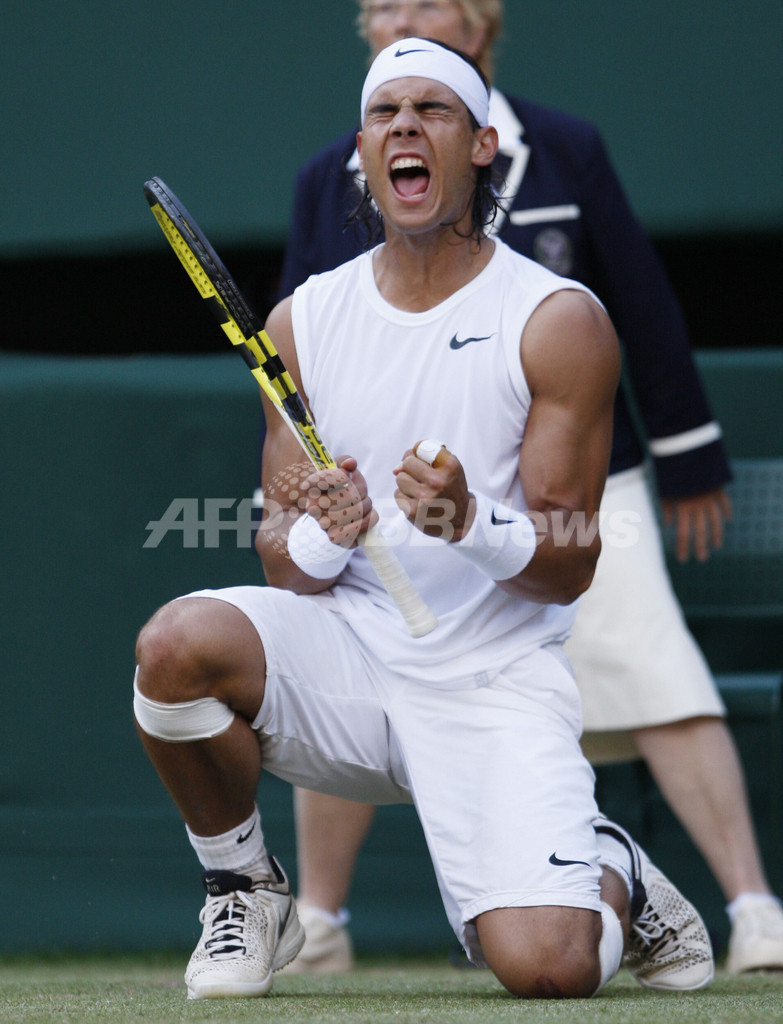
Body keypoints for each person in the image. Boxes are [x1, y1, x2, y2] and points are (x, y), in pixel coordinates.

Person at [134, 39, 715, 1000]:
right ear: (361, 152)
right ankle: (242, 887)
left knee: (549, 970)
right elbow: (282, 563)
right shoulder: (302, 322)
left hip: (494, 679)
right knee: (176, 646)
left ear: (482, 145)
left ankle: (611, 866)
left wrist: (468, 521)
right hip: (347, 668)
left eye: (432, 110)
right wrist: (324, 530)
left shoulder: (556, 319)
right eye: (384, 113)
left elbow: (569, 562)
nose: (404, 126)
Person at [274, 0, 783, 978]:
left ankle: (752, 907)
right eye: (386, 6)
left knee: (658, 679)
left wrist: (688, 455)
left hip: (576, 481)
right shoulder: (327, 177)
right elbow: (297, 354)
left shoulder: (565, 146)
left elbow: (639, 300)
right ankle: (322, 920)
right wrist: (313, 498)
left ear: (479, 25)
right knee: (353, 651)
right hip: (399, 496)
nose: (404, 18)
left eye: (427, 2)